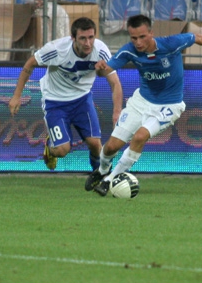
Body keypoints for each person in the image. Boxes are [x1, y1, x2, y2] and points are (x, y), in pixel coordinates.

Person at [89, 14, 202, 196]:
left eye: (142, 37)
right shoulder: (129, 51)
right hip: (141, 102)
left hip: (169, 106)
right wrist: (100, 69)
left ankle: (109, 179)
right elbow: (107, 70)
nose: (138, 42)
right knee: (112, 146)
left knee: (140, 137)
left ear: (151, 33)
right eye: (134, 38)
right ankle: (103, 170)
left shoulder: (171, 43)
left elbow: (195, 37)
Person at [9, 17, 123, 175]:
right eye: (82, 38)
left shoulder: (101, 51)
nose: (87, 43)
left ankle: (100, 177)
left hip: (82, 100)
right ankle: (51, 148)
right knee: (62, 150)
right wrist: (16, 96)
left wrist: (117, 112)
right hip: (55, 102)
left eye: (91, 37)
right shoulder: (56, 50)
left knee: (96, 145)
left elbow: (115, 83)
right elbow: (30, 64)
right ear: (73, 38)